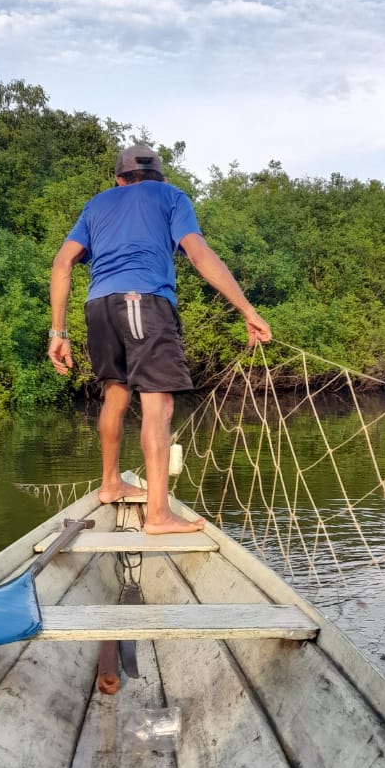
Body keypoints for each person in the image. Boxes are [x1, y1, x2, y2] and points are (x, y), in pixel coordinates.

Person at [48, 144, 272, 534]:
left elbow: (63, 262)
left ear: (119, 179)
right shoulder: (171, 196)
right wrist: (247, 310)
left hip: (98, 307)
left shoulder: (96, 205)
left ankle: (110, 483)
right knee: (158, 405)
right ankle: (158, 515)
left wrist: (58, 332)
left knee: (115, 394)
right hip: (144, 301)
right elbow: (199, 254)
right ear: (161, 177)